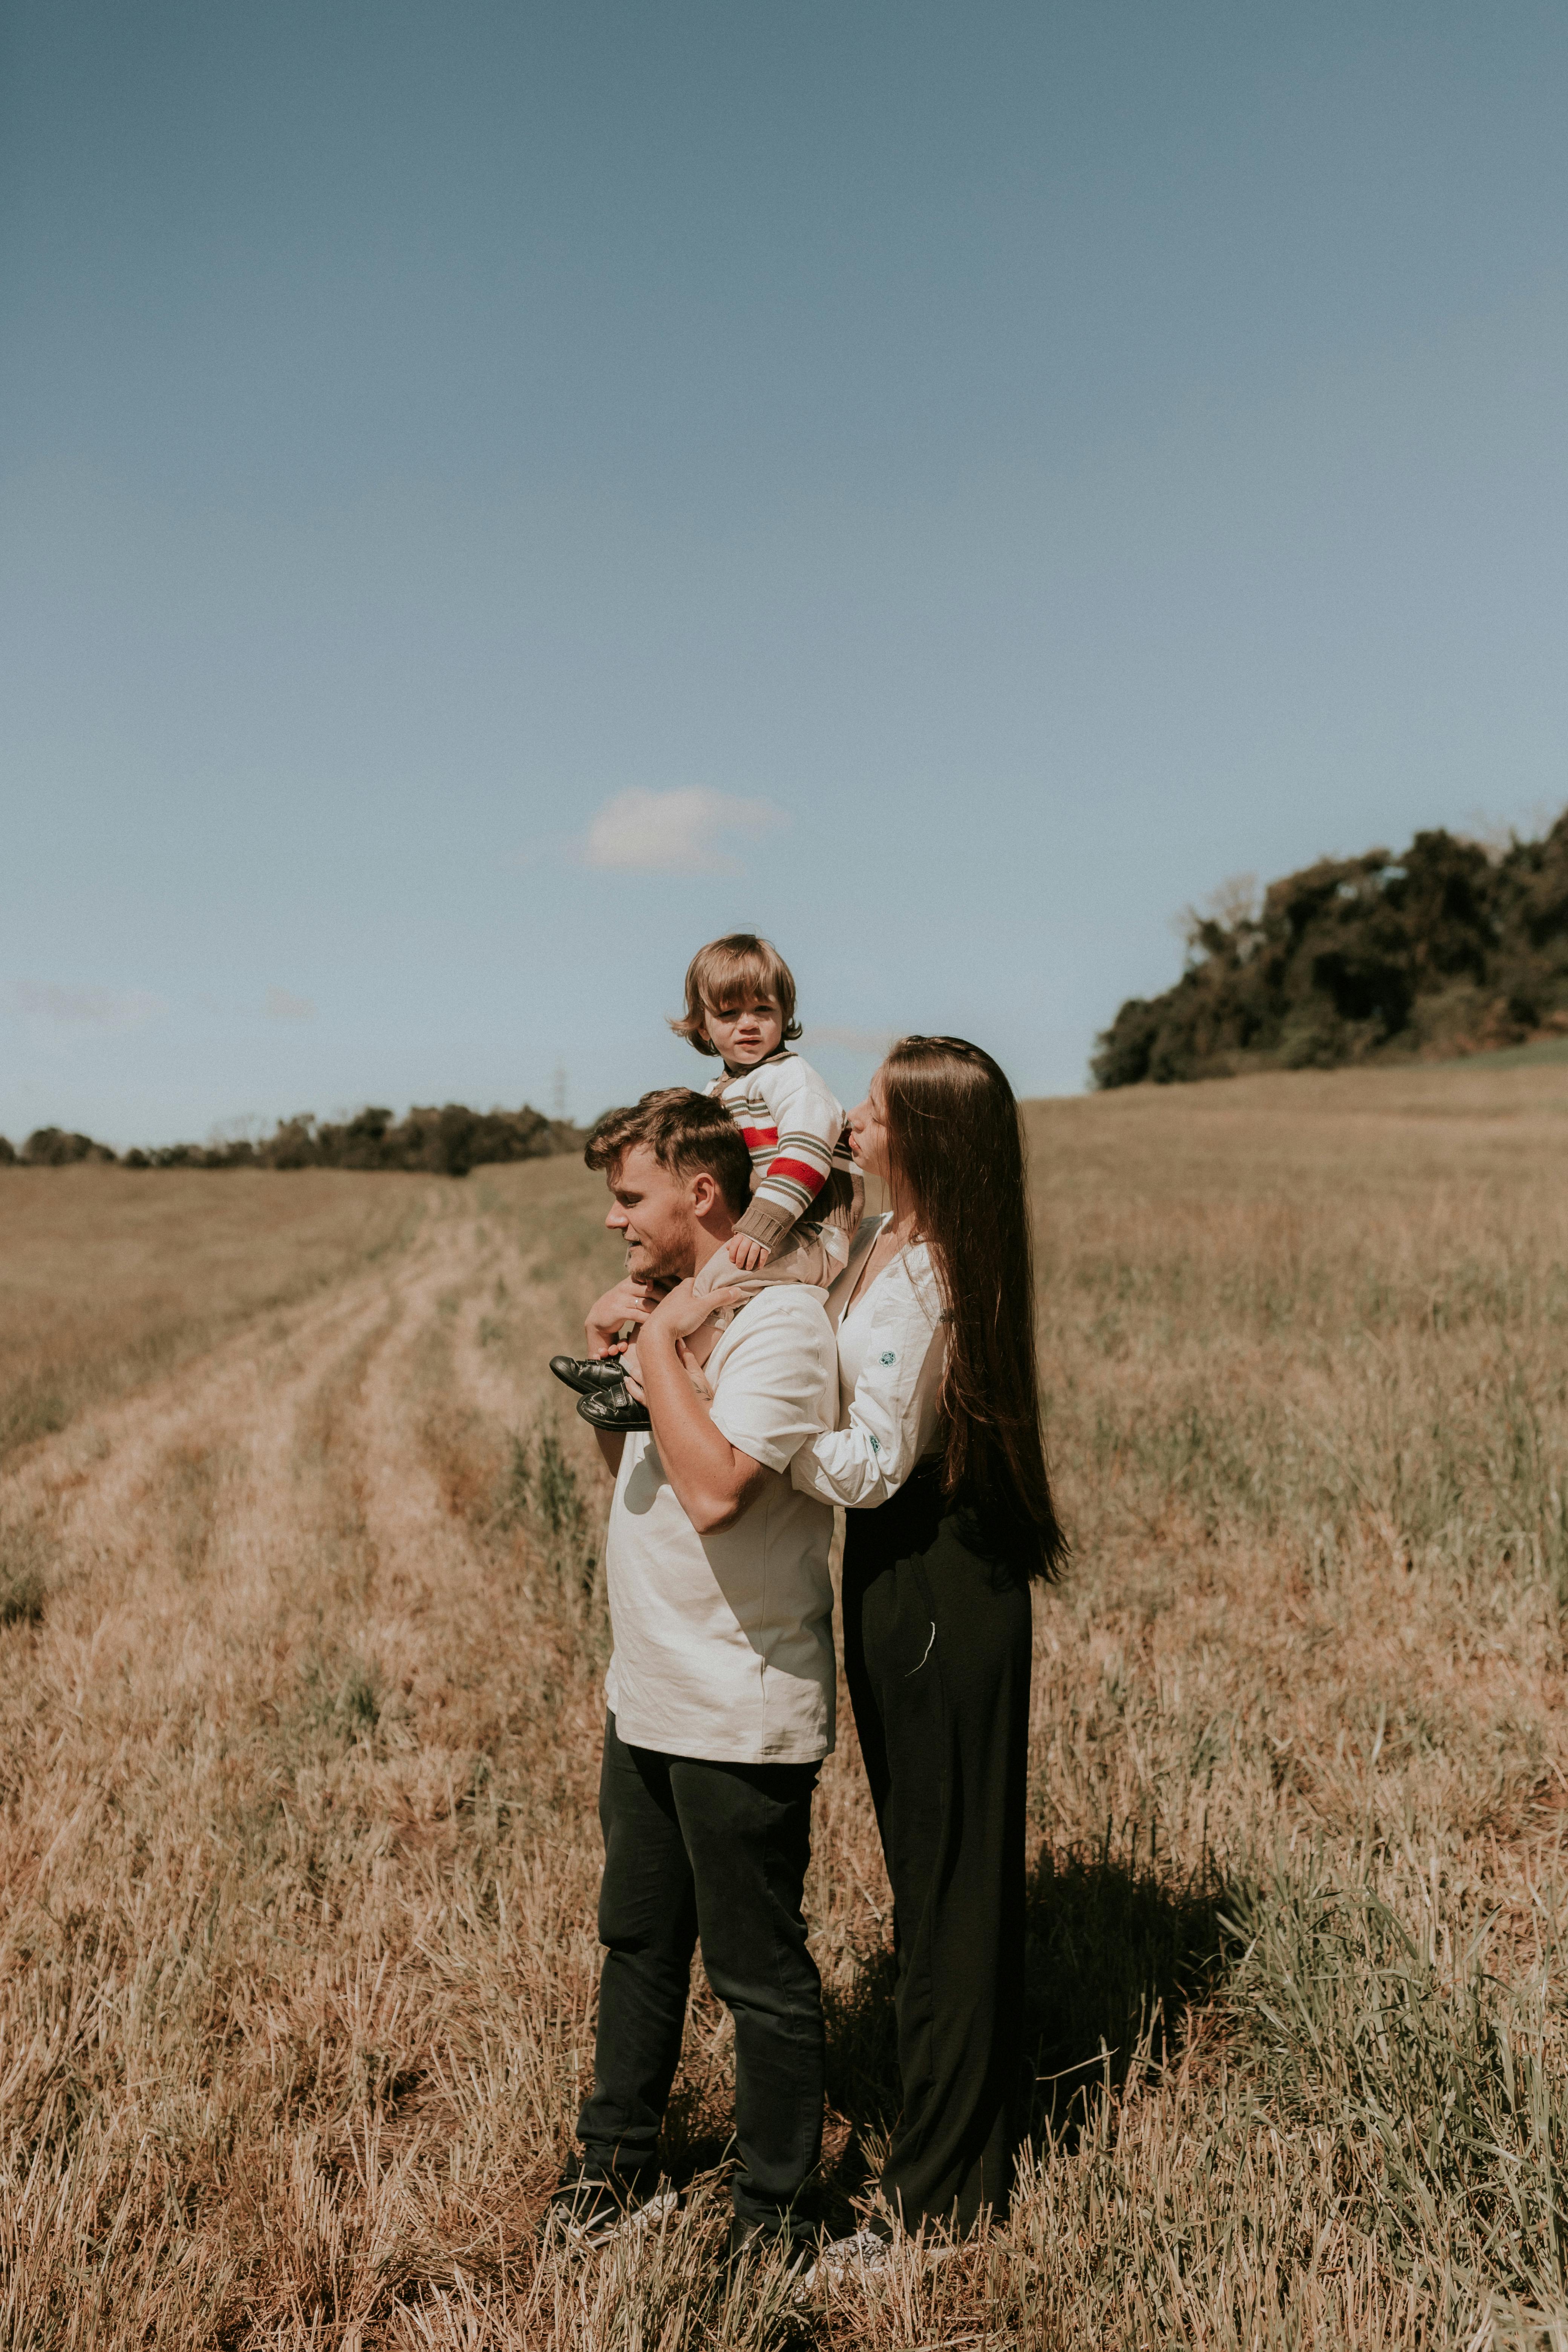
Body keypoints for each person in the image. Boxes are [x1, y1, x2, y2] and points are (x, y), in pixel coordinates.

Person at [543, 1087, 839, 2278]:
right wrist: (617, 1358)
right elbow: (638, 1469)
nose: (616, 1220)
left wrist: (664, 1344)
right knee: (637, 1942)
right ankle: (609, 2170)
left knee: (757, 1976)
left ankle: (776, 2219)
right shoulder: (673, 1310)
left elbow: (716, 1492)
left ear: (702, 1193)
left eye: (631, 1198)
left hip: (739, 1704)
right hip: (648, 1689)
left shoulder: (780, 1326)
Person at [791, 1037, 1068, 2273]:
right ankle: (961, 2156)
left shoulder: (929, 1278)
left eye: (873, 1109)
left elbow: (869, 1464)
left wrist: (750, 1435)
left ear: (928, 1140)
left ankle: (941, 2206)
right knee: (929, 1877)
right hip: (900, 1581)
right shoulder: (880, 1242)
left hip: (939, 1590)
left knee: (950, 1896)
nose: (852, 1122)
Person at [548, 933, 861, 1432]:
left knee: (717, 1284)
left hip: (808, 1230)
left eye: (763, 1009)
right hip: (767, 1228)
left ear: (786, 1012)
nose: (748, 1024)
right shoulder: (721, 1089)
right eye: (729, 1013)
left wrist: (764, 1222)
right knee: (672, 1281)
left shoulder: (791, 1079)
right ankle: (627, 1360)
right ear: (701, 1025)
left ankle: (654, 1382)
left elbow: (807, 1149)